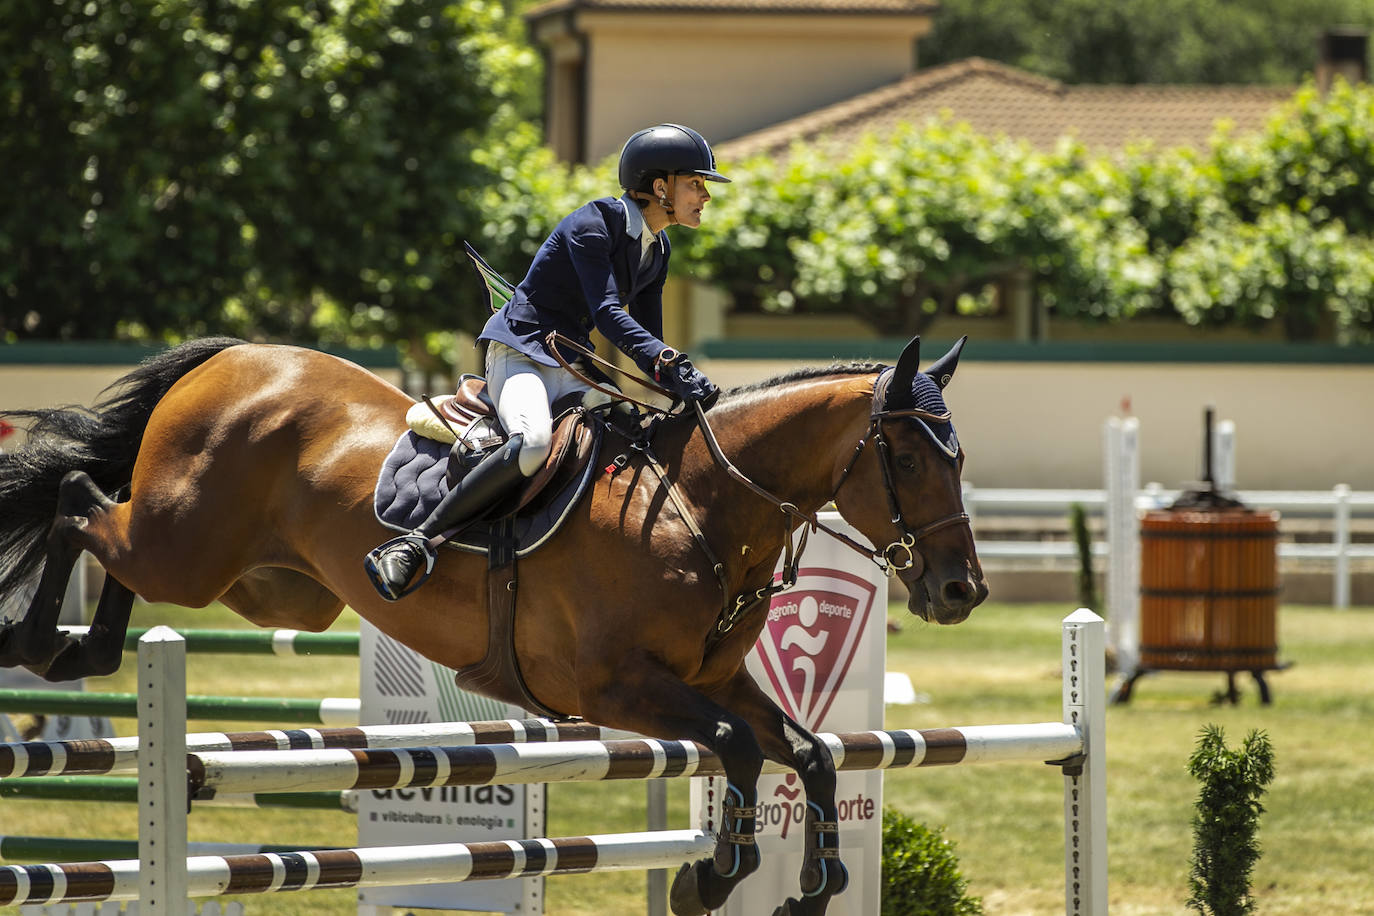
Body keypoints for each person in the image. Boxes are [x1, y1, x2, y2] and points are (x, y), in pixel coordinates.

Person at [364, 123, 730, 600]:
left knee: (639, 434)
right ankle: (418, 543)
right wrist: (668, 361)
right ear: (660, 187)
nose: (704, 195)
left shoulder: (656, 250)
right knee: (534, 443)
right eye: (695, 184)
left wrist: (678, 381)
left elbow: (647, 336)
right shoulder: (593, 223)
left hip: (570, 364)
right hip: (521, 351)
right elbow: (608, 314)